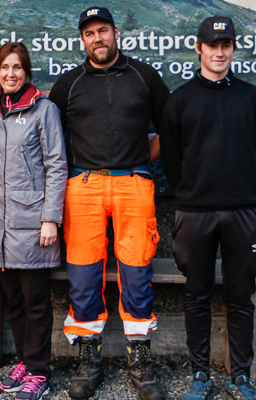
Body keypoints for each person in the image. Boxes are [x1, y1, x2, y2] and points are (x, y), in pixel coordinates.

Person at [49, 7, 169, 400]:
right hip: (83, 185)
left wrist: (142, 160)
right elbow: (52, 138)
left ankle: (140, 361)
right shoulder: (69, 83)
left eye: (103, 31)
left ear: (116, 32)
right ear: (82, 40)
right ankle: (89, 359)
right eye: (89, 34)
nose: (97, 38)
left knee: (137, 272)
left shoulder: (144, 76)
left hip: (134, 182)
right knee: (83, 275)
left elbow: (170, 128)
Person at [160, 16, 256, 400]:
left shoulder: (253, 98)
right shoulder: (180, 100)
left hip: (243, 212)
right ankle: (200, 374)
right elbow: (172, 162)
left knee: (241, 296)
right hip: (194, 213)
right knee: (197, 295)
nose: (219, 51)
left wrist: (243, 191)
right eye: (212, 44)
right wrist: (193, 193)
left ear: (233, 48)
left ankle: (240, 375)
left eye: (226, 44)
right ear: (199, 47)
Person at [0, 42, 67, 400]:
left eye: (18, 67)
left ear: (27, 72)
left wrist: (51, 220)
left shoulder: (44, 110)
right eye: (4, 67)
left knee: (36, 301)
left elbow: (57, 165)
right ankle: (25, 361)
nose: (11, 74)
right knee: (14, 300)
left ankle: (39, 372)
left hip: (32, 222)